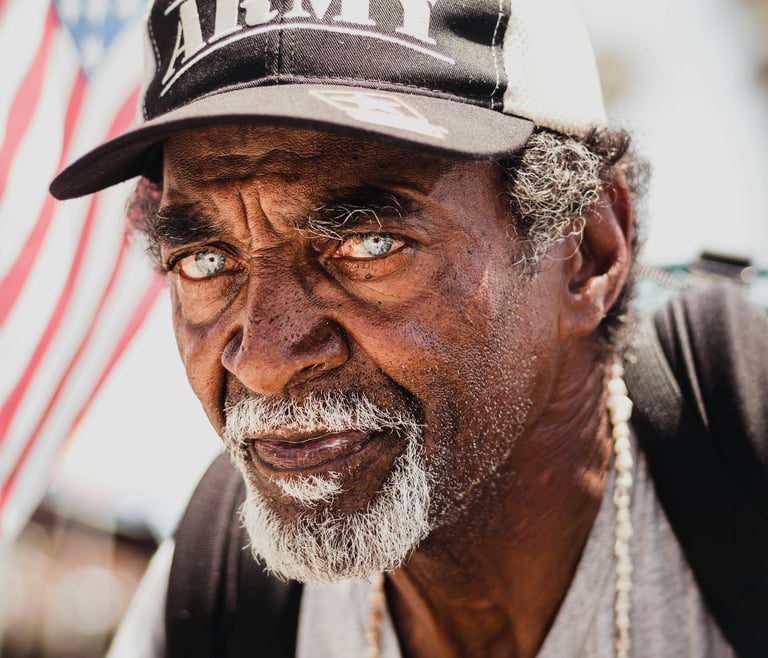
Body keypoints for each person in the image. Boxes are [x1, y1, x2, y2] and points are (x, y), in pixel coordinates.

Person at [49, 0, 768, 656]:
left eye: (368, 245)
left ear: (586, 252)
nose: (264, 360)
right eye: (206, 260)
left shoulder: (738, 460)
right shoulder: (217, 595)